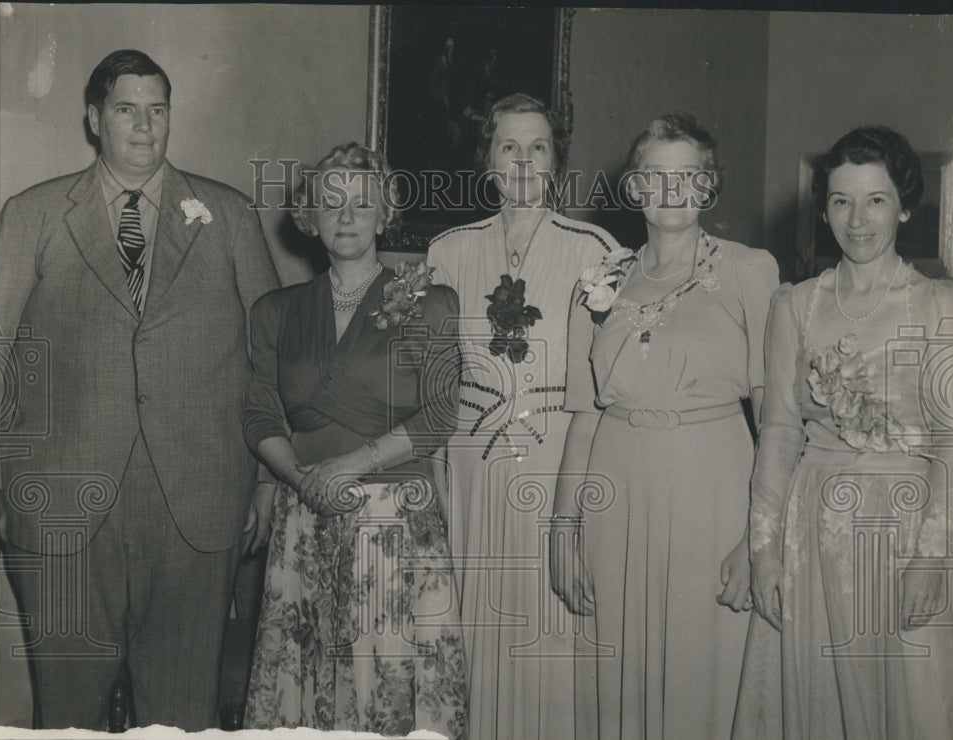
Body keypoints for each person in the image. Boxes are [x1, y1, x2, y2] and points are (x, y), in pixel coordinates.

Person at [0, 49, 279, 730]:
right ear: (93, 118)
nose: (144, 126)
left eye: (157, 110)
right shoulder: (34, 214)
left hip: (196, 511)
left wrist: (266, 482)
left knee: (181, 717)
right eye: (125, 110)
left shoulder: (225, 215)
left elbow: (271, 359)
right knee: (70, 716)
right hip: (62, 508)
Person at [734, 126, 953, 738]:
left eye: (875, 199)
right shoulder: (796, 305)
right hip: (812, 535)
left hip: (906, 533)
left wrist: (931, 556)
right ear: (824, 208)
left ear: (906, 205)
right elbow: (781, 434)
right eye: (841, 200)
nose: (856, 220)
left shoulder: (941, 304)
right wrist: (763, 551)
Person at [551, 113, 779, 739]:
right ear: (633, 186)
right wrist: (563, 528)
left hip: (713, 496)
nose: (672, 190)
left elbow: (775, 416)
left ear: (710, 187)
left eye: (689, 176)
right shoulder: (599, 282)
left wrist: (761, 538)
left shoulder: (748, 270)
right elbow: (582, 418)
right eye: (655, 174)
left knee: (704, 674)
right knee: (617, 669)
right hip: (615, 499)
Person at [241, 142, 468, 738]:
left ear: (384, 214)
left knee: (387, 697)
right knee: (306, 687)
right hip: (304, 516)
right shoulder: (276, 311)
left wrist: (354, 464)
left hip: (394, 523)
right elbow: (261, 413)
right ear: (309, 217)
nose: (345, 217)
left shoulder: (429, 302)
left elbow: (445, 410)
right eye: (330, 203)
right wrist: (303, 480)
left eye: (361, 203)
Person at [427, 92, 621, 740]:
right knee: (478, 631)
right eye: (507, 145)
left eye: (538, 146)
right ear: (486, 159)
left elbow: (610, 385)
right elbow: (431, 380)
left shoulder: (595, 250)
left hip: (557, 461)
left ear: (557, 159)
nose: (523, 160)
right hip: (471, 466)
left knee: (555, 639)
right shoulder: (448, 252)